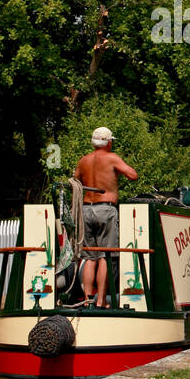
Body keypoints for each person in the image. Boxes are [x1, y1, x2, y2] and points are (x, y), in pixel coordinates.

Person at [72, 127, 138, 308]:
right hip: (105, 209)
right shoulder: (112, 158)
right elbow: (133, 175)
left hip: (85, 210)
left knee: (89, 257)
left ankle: (87, 300)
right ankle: (101, 301)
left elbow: (75, 180)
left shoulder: (83, 160)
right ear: (109, 142)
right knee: (105, 257)